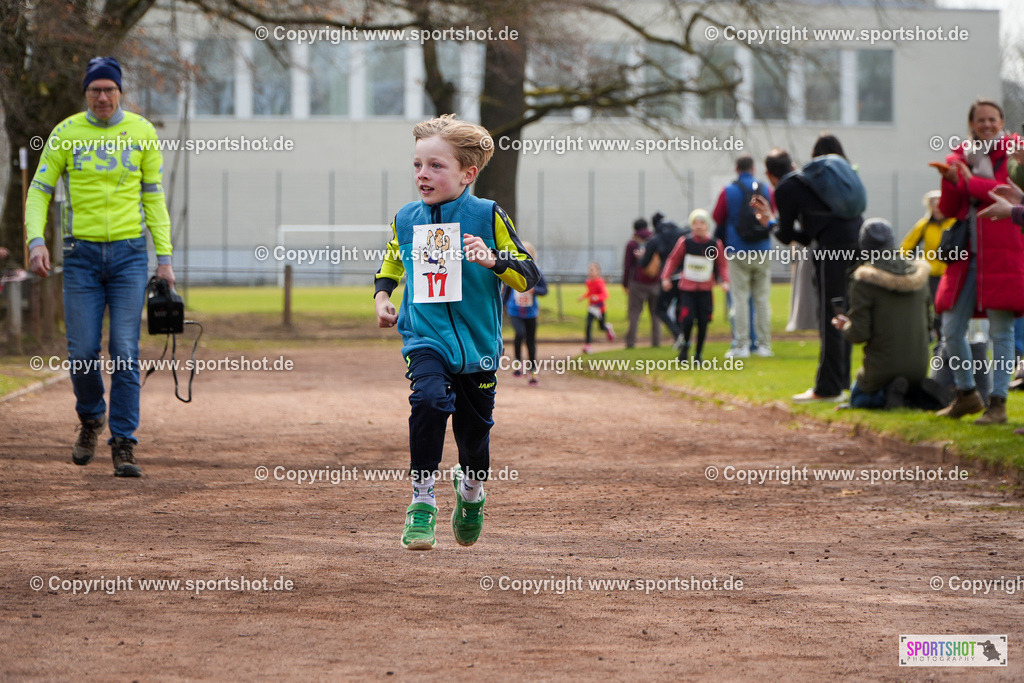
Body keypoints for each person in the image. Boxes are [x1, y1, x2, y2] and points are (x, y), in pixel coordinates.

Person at [373, 114, 540, 550]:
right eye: (417, 165)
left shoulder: (486, 216)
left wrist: (492, 261)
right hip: (424, 338)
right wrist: (383, 297)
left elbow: (529, 275)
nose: (422, 175)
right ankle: (422, 502)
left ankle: (471, 493)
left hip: (478, 348)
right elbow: (392, 261)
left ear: (469, 173)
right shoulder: (406, 219)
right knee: (428, 400)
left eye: (435, 166)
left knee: (473, 437)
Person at [25, 57, 175, 477]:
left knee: (124, 351)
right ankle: (92, 418)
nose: (103, 97)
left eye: (110, 89)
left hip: (129, 256)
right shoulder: (66, 133)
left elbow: (154, 199)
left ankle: (124, 441)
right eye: (96, 90)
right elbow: (39, 191)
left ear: (120, 91)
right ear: (86, 93)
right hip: (80, 256)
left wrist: (164, 259)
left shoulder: (142, 132)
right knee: (83, 352)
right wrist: (36, 240)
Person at [931, 99, 1024, 423]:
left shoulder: (1014, 151)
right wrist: (952, 179)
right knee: (951, 326)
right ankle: (967, 394)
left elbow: (1002, 190)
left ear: (1002, 122)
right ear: (971, 124)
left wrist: (968, 180)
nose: (986, 124)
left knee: (1001, 330)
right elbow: (947, 206)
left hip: (1003, 251)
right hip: (966, 255)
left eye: (992, 119)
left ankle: (997, 403)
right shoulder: (962, 156)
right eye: (980, 120)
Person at [753, 138, 862, 403]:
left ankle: (827, 389)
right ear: (792, 163)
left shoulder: (786, 188)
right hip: (856, 244)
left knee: (830, 315)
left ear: (769, 174)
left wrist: (770, 223)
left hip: (831, 251)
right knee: (843, 311)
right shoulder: (811, 182)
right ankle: (842, 381)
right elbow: (810, 232)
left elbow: (791, 235)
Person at [832, 219, 938, 409]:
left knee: (857, 398)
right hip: (919, 367)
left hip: (881, 371)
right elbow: (930, 324)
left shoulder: (864, 280)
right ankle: (915, 396)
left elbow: (859, 334)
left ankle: (886, 395)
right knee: (906, 386)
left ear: (863, 245)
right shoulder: (919, 274)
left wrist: (845, 326)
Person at [712, 154, 773, 359]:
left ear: (737, 169)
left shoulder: (729, 191)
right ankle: (764, 345)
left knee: (739, 300)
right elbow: (772, 213)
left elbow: (717, 217)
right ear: (753, 169)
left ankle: (742, 345)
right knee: (762, 299)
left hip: (737, 250)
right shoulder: (765, 189)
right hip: (762, 248)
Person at [660, 209, 729, 362]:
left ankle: (698, 354)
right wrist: (666, 277)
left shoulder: (714, 244)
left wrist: (725, 281)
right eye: (695, 223)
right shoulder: (685, 242)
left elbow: (722, 264)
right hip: (687, 290)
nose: (699, 227)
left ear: (707, 225)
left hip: (705, 290)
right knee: (687, 320)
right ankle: (684, 350)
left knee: (703, 322)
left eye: (702, 223)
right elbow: (673, 259)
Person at [900, 190, 953, 341]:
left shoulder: (953, 223)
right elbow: (907, 246)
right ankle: (932, 333)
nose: (936, 205)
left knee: (943, 306)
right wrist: (904, 264)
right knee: (927, 305)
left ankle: (942, 334)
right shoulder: (924, 225)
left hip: (947, 273)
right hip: (928, 273)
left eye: (939, 201)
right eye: (933, 202)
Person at [637, 213, 687, 344]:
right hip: (684, 275)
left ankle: (678, 333)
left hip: (668, 277)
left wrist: (640, 257)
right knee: (680, 308)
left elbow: (644, 263)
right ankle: (681, 338)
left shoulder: (656, 238)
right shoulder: (680, 232)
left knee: (660, 309)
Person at [503, 242, 547, 385]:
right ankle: (517, 364)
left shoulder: (537, 272)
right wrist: (501, 306)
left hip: (531, 312)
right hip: (515, 310)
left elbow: (544, 290)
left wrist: (534, 290)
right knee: (519, 333)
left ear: (532, 256)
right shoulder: (513, 270)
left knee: (530, 341)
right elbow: (508, 291)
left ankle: (532, 371)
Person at [622, 218, 661, 348]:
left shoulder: (632, 244)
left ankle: (631, 342)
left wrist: (625, 283)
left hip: (638, 283)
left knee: (634, 313)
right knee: (655, 314)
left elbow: (628, 265)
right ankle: (656, 342)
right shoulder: (656, 240)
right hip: (655, 282)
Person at [579, 262, 614, 353]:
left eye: (592, 270)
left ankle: (607, 328)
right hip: (592, 308)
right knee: (588, 325)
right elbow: (590, 292)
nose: (590, 272)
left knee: (601, 327)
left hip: (600, 308)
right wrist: (583, 297)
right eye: (589, 270)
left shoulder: (600, 282)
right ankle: (588, 346)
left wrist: (597, 297)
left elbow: (605, 295)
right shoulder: (588, 282)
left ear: (598, 272)